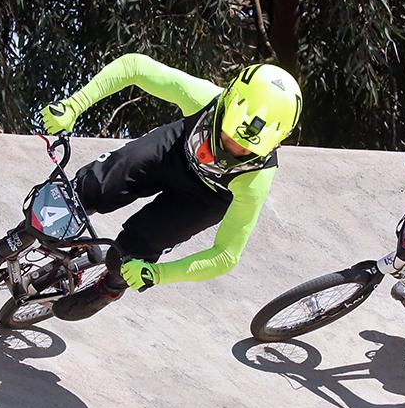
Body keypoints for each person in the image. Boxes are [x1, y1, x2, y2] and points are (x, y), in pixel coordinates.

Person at [36, 54, 302, 320]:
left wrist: (158, 274)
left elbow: (226, 256)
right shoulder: (203, 98)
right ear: (226, 105)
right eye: (228, 136)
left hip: (204, 199)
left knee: (128, 259)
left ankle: (109, 289)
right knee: (87, 190)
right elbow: (134, 67)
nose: (232, 150)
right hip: (173, 150)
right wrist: (74, 105)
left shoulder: (256, 180)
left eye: (246, 150)